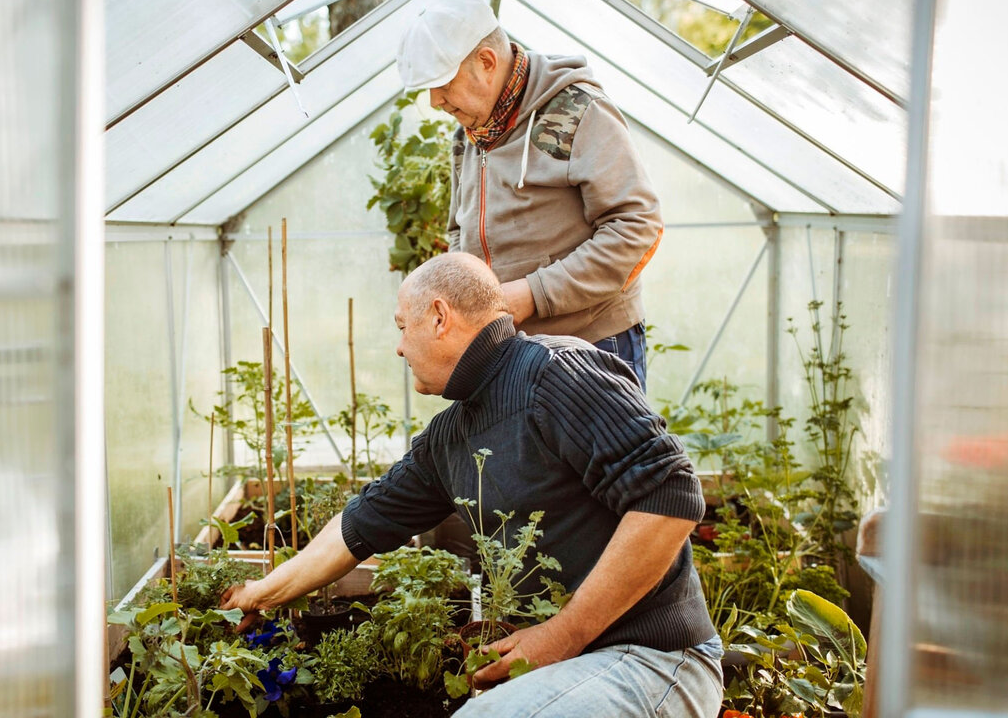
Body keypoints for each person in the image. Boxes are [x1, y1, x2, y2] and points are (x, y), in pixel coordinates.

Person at [221, 253, 723, 718]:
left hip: (655, 659)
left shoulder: (557, 374)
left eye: (402, 327)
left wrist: (558, 636)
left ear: (439, 316)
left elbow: (670, 496)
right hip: (574, 666)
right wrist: (261, 593)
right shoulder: (451, 436)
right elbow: (359, 525)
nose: (398, 347)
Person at [395, 0, 664, 390]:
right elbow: (460, 231)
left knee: (599, 453)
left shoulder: (578, 111)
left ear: (486, 62)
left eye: (441, 84)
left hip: (590, 345)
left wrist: (531, 294)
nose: (435, 101)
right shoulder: (468, 136)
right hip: (507, 351)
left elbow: (637, 227)